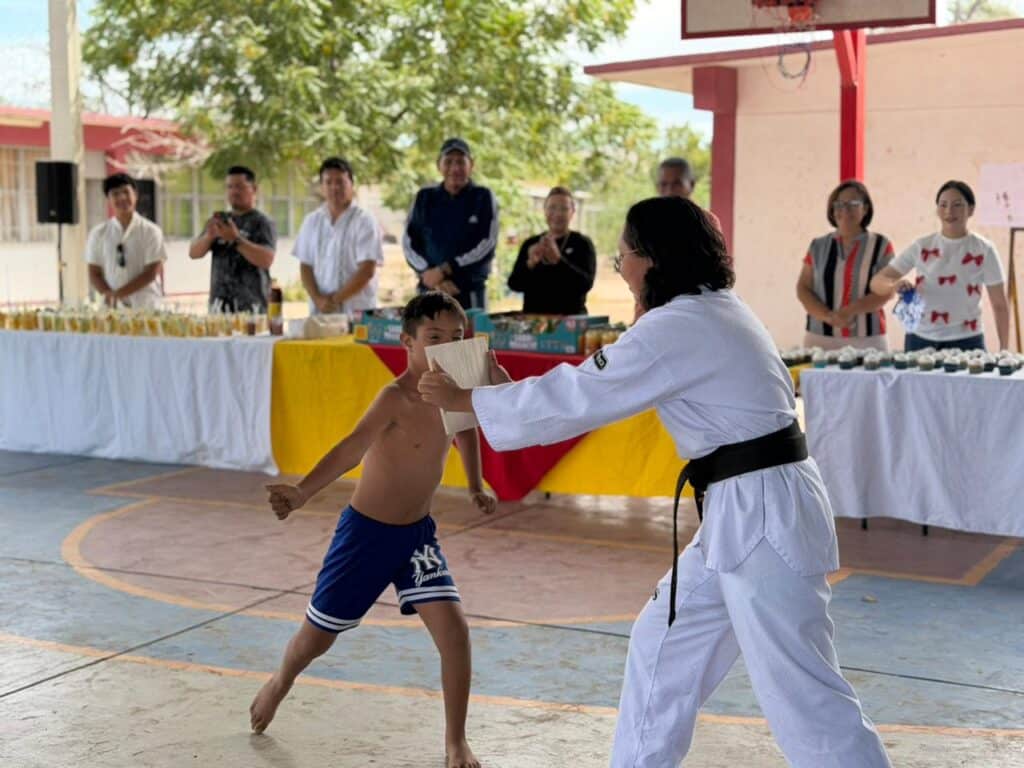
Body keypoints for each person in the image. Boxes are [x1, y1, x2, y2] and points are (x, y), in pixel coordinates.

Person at [419, 197, 891, 768]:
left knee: (804, 693)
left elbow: (583, 394)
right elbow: (593, 382)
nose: (622, 272)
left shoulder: (683, 324)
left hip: (762, 515)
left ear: (654, 260)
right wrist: (495, 394)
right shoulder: (709, 310)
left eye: (624, 260)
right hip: (744, 512)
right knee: (662, 644)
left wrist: (471, 399)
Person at [251, 291, 495, 768]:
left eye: (458, 338)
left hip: (417, 537)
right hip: (364, 536)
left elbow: (465, 432)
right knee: (317, 638)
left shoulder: (457, 391)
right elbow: (350, 449)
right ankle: (280, 681)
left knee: (455, 634)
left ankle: (455, 742)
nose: (449, 347)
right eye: (435, 338)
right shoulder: (394, 398)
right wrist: (301, 494)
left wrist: (474, 486)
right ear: (407, 342)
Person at [870, 180, 1009, 351]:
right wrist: (894, 285)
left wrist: (1004, 349)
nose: (949, 211)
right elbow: (877, 281)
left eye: (957, 205)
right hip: (919, 339)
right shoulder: (922, 246)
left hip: (968, 340)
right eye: (943, 205)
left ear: (971, 209)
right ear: (937, 210)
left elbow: (1000, 305)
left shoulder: (984, 249)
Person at [797, 180, 895, 351]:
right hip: (819, 338)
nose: (845, 210)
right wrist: (828, 317)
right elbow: (803, 288)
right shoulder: (817, 245)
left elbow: (887, 290)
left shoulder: (881, 245)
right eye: (839, 204)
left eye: (853, 204)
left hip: (868, 340)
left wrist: (849, 312)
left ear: (865, 209)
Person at [403, 138, 499, 309]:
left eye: (461, 162)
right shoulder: (424, 197)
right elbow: (409, 243)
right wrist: (429, 274)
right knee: (427, 335)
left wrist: (445, 270)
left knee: (471, 336)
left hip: (469, 292)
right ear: (438, 165)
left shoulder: (483, 197)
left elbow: (487, 244)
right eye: (448, 162)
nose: (455, 168)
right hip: (429, 289)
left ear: (471, 165)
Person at [293, 157, 384, 315]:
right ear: (322, 187)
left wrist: (334, 300)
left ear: (351, 185)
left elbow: (367, 270)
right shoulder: (312, 221)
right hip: (319, 312)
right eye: (328, 182)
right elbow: (305, 266)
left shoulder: (365, 221)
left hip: (356, 313)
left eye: (340, 182)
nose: (334, 187)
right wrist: (318, 299)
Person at [188, 165, 276, 312]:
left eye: (240, 187)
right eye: (229, 187)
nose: (234, 192)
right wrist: (209, 237)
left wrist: (236, 240)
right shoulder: (219, 220)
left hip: (252, 310)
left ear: (254, 189)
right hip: (219, 308)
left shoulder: (262, 222)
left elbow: (267, 259)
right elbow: (193, 253)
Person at [506, 187, 596, 315]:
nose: (558, 214)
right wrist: (530, 263)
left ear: (572, 212)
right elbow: (514, 284)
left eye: (564, 209)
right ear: (544, 210)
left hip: (571, 320)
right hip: (534, 321)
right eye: (552, 208)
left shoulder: (582, 243)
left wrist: (558, 260)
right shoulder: (531, 243)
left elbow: (586, 284)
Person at [85, 173, 167, 309]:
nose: (122, 197)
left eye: (126, 192)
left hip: (146, 307)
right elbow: (94, 272)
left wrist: (118, 295)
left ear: (135, 195)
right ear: (108, 199)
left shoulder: (151, 231)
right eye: (115, 194)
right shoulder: (98, 233)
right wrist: (109, 295)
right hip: (112, 310)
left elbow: (152, 272)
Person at [656, 157, 722, 231]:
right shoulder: (649, 220)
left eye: (677, 184)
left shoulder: (708, 222)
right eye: (663, 184)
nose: (669, 191)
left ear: (691, 185)